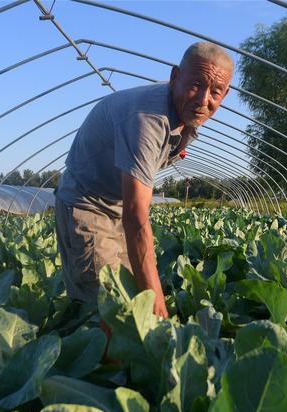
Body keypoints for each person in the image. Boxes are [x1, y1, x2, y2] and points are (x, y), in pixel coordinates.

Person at [54, 42, 233, 318]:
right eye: (196, 85)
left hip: (115, 203)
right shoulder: (147, 119)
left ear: (226, 93)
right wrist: (157, 300)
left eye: (215, 91)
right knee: (107, 306)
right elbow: (136, 218)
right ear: (175, 78)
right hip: (85, 202)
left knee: (133, 299)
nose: (203, 99)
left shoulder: (187, 114)